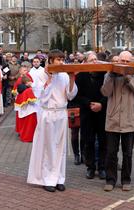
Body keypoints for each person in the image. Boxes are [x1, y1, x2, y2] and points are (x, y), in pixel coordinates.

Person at [27, 49, 77, 193]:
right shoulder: (41, 74)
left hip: (61, 113)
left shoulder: (64, 75)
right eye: (58, 59)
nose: (61, 62)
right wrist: (49, 78)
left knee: (60, 148)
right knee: (49, 148)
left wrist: (72, 78)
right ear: (50, 60)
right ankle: (47, 179)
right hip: (47, 113)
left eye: (62, 59)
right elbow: (41, 96)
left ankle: (59, 178)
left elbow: (70, 95)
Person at [101, 51, 134, 192]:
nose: (124, 64)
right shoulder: (109, 74)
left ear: (131, 62)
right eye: (122, 61)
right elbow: (105, 92)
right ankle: (110, 180)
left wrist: (129, 78)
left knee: (128, 153)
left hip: (129, 119)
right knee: (111, 152)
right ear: (117, 60)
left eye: (127, 61)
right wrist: (111, 77)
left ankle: (126, 180)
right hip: (113, 119)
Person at [74, 51, 107, 179]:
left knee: (103, 140)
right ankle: (90, 167)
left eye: (95, 59)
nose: (94, 62)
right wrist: (89, 104)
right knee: (89, 141)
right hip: (87, 112)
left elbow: (109, 93)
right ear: (86, 62)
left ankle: (102, 167)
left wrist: (101, 104)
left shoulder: (104, 74)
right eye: (91, 60)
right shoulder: (81, 76)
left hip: (102, 112)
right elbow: (77, 95)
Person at [14, 75, 37, 142]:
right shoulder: (28, 90)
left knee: (25, 126)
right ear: (27, 82)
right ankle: (29, 138)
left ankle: (24, 137)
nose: (31, 83)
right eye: (30, 81)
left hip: (23, 111)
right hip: (30, 111)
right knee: (30, 127)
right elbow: (31, 101)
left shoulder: (20, 91)